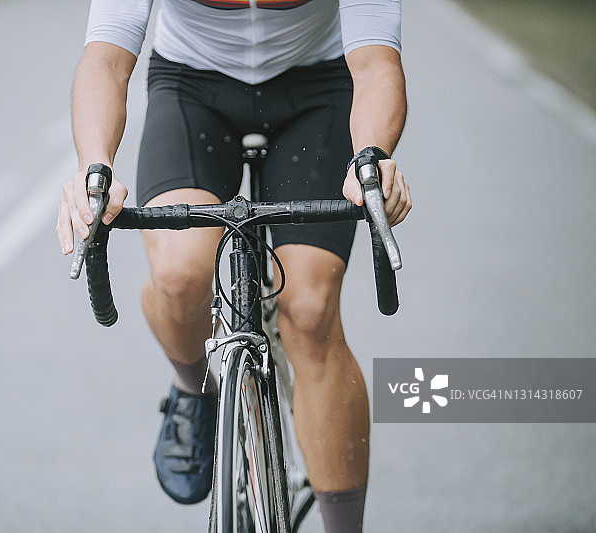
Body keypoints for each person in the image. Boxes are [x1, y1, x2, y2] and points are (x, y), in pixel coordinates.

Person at [56, 1, 412, 531]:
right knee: (179, 277)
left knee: (310, 311)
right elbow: (106, 57)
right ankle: (191, 386)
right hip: (193, 88)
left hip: (318, 89)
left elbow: (377, 63)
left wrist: (373, 157)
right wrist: (94, 167)